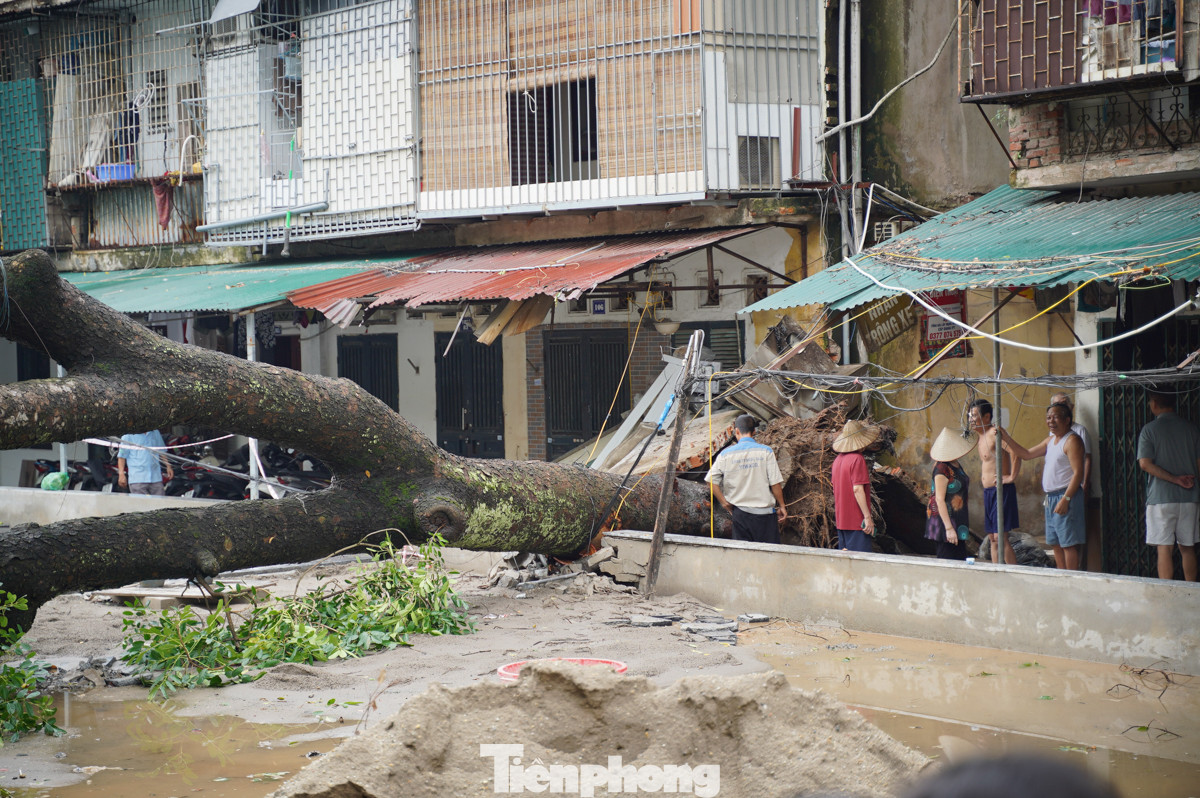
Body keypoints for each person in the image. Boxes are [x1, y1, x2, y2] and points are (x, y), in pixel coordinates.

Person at [1002, 403, 1085, 570]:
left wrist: (1066, 499)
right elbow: (1026, 455)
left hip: (1065, 496)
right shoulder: (1050, 440)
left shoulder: (1072, 440)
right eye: (1048, 417)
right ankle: (1061, 577)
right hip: (1051, 498)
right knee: (1055, 543)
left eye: (1055, 416)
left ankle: (1072, 580)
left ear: (1067, 420)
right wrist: (1005, 437)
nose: (1051, 421)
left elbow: (1078, 474)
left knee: (1068, 544)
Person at [1136, 390, 1200, 581]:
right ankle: (1193, 595)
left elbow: (1145, 463)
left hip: (1161, 499)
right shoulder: (1192, 429)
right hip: (1190, 498)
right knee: (1187, 548)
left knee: (1164, 549)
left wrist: (1174, 479)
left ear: (1154, 403)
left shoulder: (1149, 430)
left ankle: (1167, 596)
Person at [706, 414, 788, 544]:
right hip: (766, 516)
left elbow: (710, 480)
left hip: (741, 515)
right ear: (754, 431)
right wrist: (782, 506)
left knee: (743, 556)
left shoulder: (726, 454)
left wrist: (724, 502)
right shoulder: (766, 452)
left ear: (736, 431)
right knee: (769, 556)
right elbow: (775, 483)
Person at [968, 399, 1020, 566]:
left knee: (1000, 537)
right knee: (992, 538)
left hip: (1001, 490)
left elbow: (1016, 453)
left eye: (974, 415)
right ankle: (997, 572)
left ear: (986, 416)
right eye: (970, 416)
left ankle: (1014, 572)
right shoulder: (980, 436)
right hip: (989, 492)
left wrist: (1011, 476)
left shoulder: (995, 433)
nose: (970, 419)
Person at [926, 427, 977, 561]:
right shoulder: (941, 468)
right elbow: (939, 500)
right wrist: (949, 528)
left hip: (957, 520)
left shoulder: (956, 464)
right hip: (946, 522)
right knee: (947, 563)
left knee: (959, 561)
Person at [831, 419, 881, 552]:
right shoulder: (857, 459)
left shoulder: (837, 460)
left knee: (847, 565)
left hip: (841, 521)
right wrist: (867, 517)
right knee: (860, 565)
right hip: (857, 522)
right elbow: (858, 489)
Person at [117, 429, 174, 496]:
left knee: (160, 503)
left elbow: (161, 450)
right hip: (137, 478)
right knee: (141, 504)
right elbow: (121, 457)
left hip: (155, 477)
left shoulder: (155, 432)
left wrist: (168, 466)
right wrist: (121, 474)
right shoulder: (128, 435)